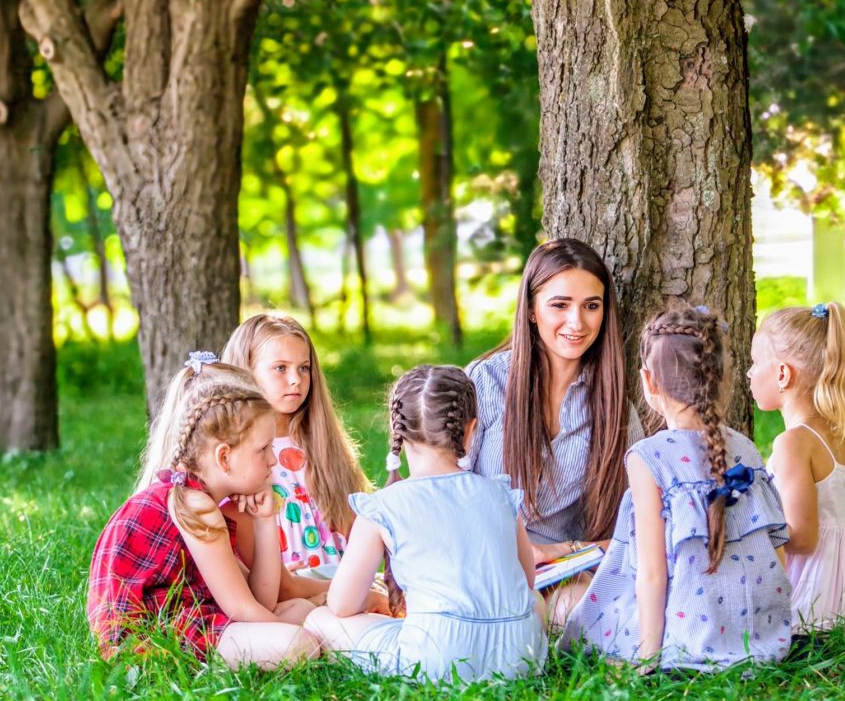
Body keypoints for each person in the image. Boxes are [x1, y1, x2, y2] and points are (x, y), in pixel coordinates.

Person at [561, 305, 792, 671]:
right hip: (761, 634)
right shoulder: (745, 448)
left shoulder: (648, 457)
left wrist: (648, 657)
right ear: (722, 378)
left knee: (587, 617)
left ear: (649, 382)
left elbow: (652, 573)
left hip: (687, 638)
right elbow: (776, 549)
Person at [304, 365, 548, 683]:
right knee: (538, 603)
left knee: (321, 619)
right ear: (471, 430)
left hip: (436, 659)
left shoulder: (382, 506)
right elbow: (526, 582)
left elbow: (341, 604)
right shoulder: (500, 494)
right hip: (521, 655)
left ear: (397, 432)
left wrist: (375, 600)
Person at [89, 355, 319, 667]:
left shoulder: (201, 498)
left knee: (302, 612)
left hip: (194, 616)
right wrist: (296, 634)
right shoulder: (194, 504)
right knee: (298, 643)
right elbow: (242, 609)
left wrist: (265, 522)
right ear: (224, 458)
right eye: (263, 450)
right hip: (156, 637)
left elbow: (258, 600)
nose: (272, 461)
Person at [465, 238, 643, 622]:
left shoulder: (613, 405)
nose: (577, 323)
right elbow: (443, 493)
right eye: (559, 305)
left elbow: (636, 524)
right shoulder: (486, 381)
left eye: (591, 306)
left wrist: (562, 550)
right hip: (481, 562)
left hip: (562, 573)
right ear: (531, 310)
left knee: (569, 609)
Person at [221, 313, 386, 612]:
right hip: (282, 586)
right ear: (247, 373)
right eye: (280, 368)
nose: (296, 379)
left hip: (343, 577)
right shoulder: (242, 458)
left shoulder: (322, 445)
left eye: (304, 368)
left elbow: (353, 528)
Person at [750, 303, 845, 632]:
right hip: (844, 601)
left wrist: (750, 527)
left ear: (782, 374)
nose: (750, 373)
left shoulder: (793, 443)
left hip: (809, 607)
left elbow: (803, 539)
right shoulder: (839, 438)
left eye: (755, 362)